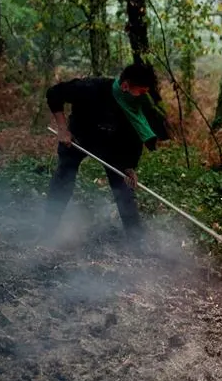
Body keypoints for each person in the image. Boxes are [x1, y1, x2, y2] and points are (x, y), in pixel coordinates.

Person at [43, 63, 169, 245]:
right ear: (126, 85)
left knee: (123, 188)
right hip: (79, 138)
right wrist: (62, 129)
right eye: (141, 91)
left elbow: (134, 138)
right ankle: (47, 230)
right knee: (64, 178)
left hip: (111, 146)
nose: (143, 96)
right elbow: (54, 93)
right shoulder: (92, 88)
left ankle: (137, 243)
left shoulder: (134, 105)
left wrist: (129, 167)